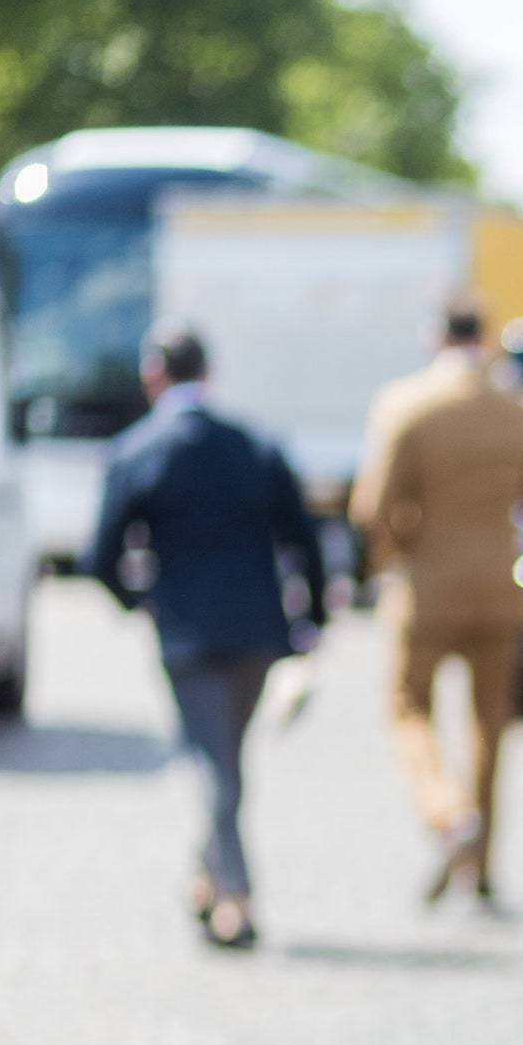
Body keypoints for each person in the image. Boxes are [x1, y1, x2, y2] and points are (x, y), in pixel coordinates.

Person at [87, 323, 326, 949]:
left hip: (187, 634)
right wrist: (313, 618)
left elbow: (99, 555)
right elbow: (303, 537)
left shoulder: (138, 450)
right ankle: (209, 875)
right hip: (257, 632)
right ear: (208, 375)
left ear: (153, 376)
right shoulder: (254, 444)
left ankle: (237, 900)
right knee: (222, 760)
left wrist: (141, 602)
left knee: (214, 764)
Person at [350, 308, 523, 904]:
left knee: (407, 707)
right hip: (500, 587)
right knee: (489, 727)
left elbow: (370, 509)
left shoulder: (404, 405)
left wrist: (390, 559)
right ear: (486, 339)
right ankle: (483, 866)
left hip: (425, 587)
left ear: (434, 337)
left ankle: (447, 813)